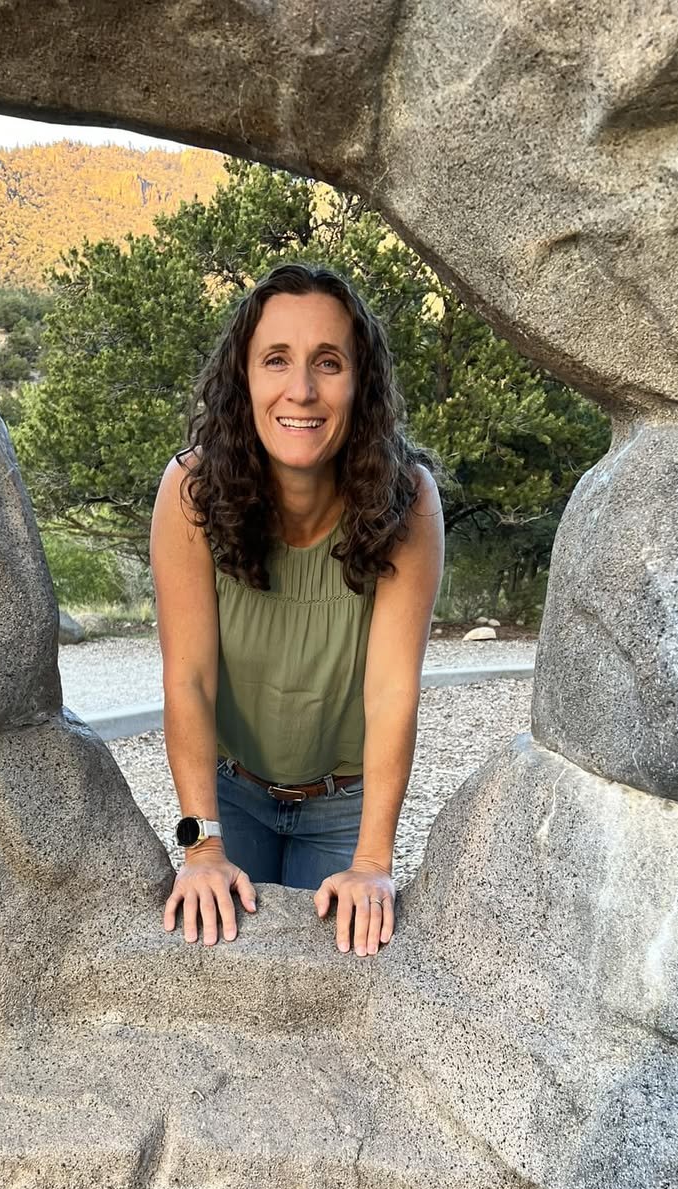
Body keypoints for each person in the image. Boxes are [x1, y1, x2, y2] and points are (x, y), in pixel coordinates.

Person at [151, 261, 444, 958]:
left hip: (344, 807)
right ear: (244, 377)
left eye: (329, 363)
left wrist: (373, 862)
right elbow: (188, 681)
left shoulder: (407, 500)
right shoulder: (191, 491)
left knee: (345, 976)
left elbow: (392, 690)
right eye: (276, 360)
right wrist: (201, 847)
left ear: (361, 383)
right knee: (212, 963)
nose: (302, 390)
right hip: (230, 797)